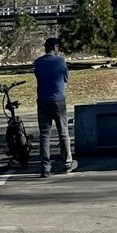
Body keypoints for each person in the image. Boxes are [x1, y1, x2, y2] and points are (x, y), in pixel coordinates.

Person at [33, 36, 75, 178]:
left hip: (43, 101)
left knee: (45, 135)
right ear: (56, 47)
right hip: (58, 100)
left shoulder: (38, 63)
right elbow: (66, 79)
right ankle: (67, 163)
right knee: (63, 133)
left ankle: (45, 167)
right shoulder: (60, 61)